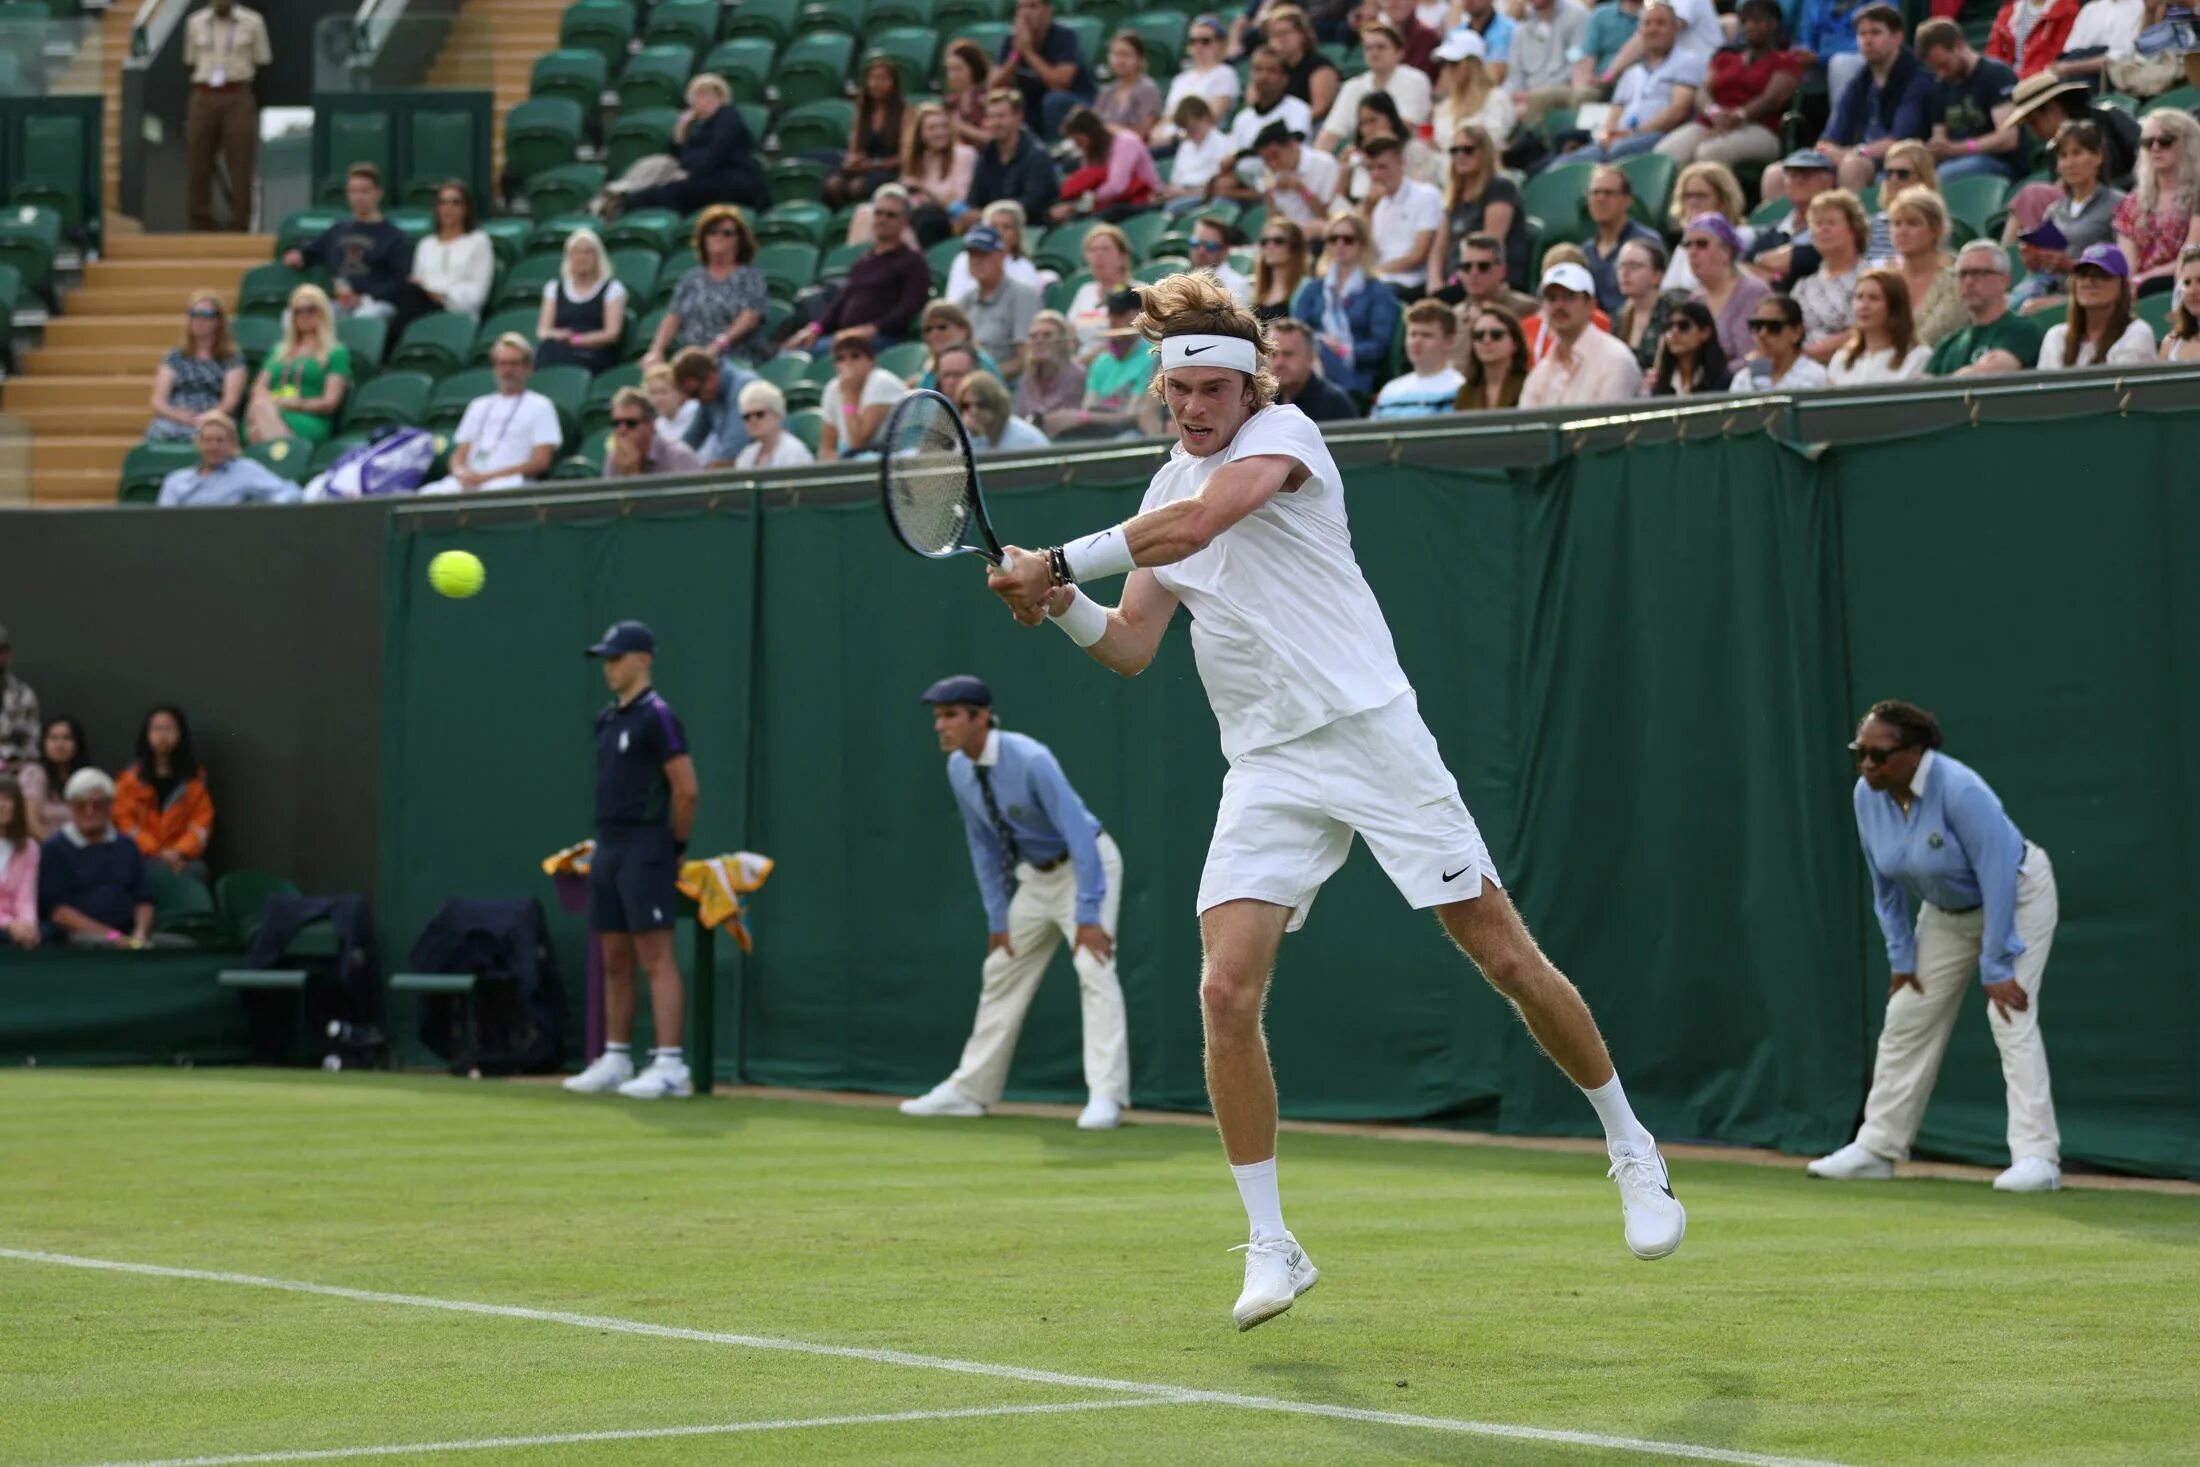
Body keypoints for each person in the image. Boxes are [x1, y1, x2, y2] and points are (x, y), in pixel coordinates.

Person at [983, 272, 1687, 1330]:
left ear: (1247, 381)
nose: (1196, 408)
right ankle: (1273, 1242)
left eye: (1214, 388)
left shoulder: (1288, 437)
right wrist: (1065, 601)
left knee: (1502, 955)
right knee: (1225, 995)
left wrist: (1055, 559)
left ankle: (1631, 1150)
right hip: (1267, 764)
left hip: (1370, 734)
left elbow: (1209, 519)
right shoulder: (1164, 488)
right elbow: (1129, 649)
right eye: (1181, 394)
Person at [1809, 700, 2064, 1193]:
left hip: (2017, 894)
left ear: (1915, 754)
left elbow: (1996, 872)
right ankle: (1877, 1147)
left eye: (1878, 755)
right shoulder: (1867, 794)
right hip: (1945, 914)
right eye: (1859, 752)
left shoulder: (1961, 789)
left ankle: (2038, 1159)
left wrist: (1996, 962)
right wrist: (1901, 956)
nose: (1866, 765)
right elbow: (1882, 883)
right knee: (1907, 1013)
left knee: (2009, 1013)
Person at [901, 675, 1129, 1128]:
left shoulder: (1030, 759)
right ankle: (970, 1091)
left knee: (1093, 968)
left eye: (949, 716)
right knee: (1001, 969)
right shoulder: (959, 770)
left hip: (1089, 866)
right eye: (937, 717)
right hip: (1037, 879)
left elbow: (1079, 833)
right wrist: (998, 916)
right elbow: (983, 845)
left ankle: (1106, 1097)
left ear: (980, 717)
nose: (939, 726)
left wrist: (1087, 913)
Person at [563, 621, 702, 1101]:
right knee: (614, 957)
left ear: (643, 659)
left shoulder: (658, 717)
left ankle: (670, 1066)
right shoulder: (606, 720)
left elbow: (686, 790)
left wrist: (675, 848)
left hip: (648, 848)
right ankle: (616, 1057)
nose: (609, 667)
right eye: (606, 658)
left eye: (617, 658)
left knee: (656, 957)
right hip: (608, 845)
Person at [1553, 1, 1703, 164]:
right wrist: (1608, 135)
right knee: (1561, 165)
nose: (1653, 29)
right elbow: (1615, 112)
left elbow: (1679, 111)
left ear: (1675, 28)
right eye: (1647, 24)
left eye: (1661, 23)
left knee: (1620, 151)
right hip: (1620, 139)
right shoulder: (1631, 73)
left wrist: (1634, 133)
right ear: (1640, 31)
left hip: (1658, 136)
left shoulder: (1687, 61)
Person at [790, 186, 935, 352]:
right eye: (878, 213)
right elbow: (840, 304)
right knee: (791, 351)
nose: (882, 219)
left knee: (811, 352)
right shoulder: (863, 261)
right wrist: (814, 329)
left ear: (905, 221)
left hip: (881, 339)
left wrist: (873, 328)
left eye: (891, 215)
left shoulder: (913, 262)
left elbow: (910, 306)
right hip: (845, 335)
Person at [1657, 0, 1799, 168]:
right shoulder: (1725, 58)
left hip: (1759, 127)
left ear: (1773, 24)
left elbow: (1771, 99)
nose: (1749, 26)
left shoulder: (1786, 61)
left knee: (1709, 152)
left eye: (1756, 20)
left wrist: (1738, 116)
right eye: (1744, 21)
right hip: (1712, 122)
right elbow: (1703, 92)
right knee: (1666, 153)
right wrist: (1714, 113)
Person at [419, 335, 564, 494]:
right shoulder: (478, 405)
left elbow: (541, 461)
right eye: (501, 364)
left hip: (510, 482)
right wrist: (461, 473)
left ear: (528, 367)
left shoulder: (541, 405)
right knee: (426, 494)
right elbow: (459, 453)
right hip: (470, 481)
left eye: (513, 364)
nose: (507, 371)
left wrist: (488, 477)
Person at [2006, 118, 2124, 312]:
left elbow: (2122, 263)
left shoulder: (2118, 204)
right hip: (2053, 289)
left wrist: (2070, 265)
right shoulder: (2054, 210)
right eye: (2063, 156)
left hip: (2095, 296)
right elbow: (2046, 268)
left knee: (2030, 309)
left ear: (2098, 156)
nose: (2070, 163)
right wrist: (2034, 261)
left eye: (2077, 153)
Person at [1815, 5, 1934, 194]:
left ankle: (1853, 222)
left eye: (1876, 33)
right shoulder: (1860, 80)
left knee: (1852, 165)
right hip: (1862, 158)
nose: (1868, 40)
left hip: (1903, 166)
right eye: (1862, 34)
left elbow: (1899, 141)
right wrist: (1831, 151)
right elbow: (1829, 139)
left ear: (1897, 37)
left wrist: (1855, 153)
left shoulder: (1916, 78)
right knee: (1786, 172)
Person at [621, 74, 770, 216]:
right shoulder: (700, 127)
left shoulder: (728, 117)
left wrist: (691, 173)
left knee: (670, 193)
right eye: (696, 96)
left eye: (705, 95)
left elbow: (716, 154)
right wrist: (680, 133)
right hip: (707, 179)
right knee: (644, 197)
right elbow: (680, 159)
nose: (699, 101)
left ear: (720, 97)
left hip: (733, 181)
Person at [37, 770, 154, 949]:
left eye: (97, 804)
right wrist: (113, 936)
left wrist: (140, 933)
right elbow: (59, 913)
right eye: (81, 804)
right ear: (70, 807)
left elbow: (143, 899)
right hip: (83, 940)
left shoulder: (127, 846)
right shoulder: (54, 849)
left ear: (110, 806)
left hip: (130, 935)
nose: (89, 811)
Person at [183, 0, 270, 232]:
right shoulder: (195, 22)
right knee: (197, 160)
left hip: (237, 93)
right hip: (203, 94)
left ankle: (239, 223)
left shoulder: (253, 21)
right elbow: (191, 59)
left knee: (241, 160)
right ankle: (200, 222)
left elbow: (261, 58)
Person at [644, 207, 769, 368]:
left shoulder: (749, 276)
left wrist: (718, 345)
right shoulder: (691, 278)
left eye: (727, 233)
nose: (718, 237)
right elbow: (673, 316)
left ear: (739, 240)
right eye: (712, 232)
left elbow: (750, 317)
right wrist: (656, 350)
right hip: (691, 359)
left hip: (733, 358)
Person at [1291, 211, 1400, 397]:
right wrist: (1320, 341)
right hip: (1312, 365)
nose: (1340, 245)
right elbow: (1295, 332)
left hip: (1356, 373)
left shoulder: (1378, 291)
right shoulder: (1312, 289)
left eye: (1348, 239)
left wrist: (1343, 350)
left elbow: (1379, 345)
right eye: (1333, 239)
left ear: (1362, 245)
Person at [281, 164, 410, 321]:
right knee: (292, 316)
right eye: (353, 191)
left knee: (364, 317)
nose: (358, 197)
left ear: (378, 193)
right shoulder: (337, 230)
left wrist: (363, 298)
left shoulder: (394, 236)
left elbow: (399, 282)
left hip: (375, 304)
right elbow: (312, 250)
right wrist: (298, 253)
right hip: (340, 303)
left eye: (364, 191)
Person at [112, 706, 214, 883]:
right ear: (147, 734)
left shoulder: (195, 779)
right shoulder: (129, 779)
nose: (163, 734)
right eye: (157, 728)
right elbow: (124, 823)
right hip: (143, 855)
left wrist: (179, 852)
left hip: (182, 858)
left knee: (198, 871)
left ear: (181, 734)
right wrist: (157, 852)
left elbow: (201, 823)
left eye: (169, 728)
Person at [1521, 261, 1647, 403]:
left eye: (1569, 297)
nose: (1558, 305)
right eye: (1551, 298)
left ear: (1591, 305)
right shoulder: (1542, 371)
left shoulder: (1615, 360)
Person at [1916, 20, 2022, 184]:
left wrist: (1957, 149)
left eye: (1944, 65)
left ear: (1958, 45)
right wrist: (1935, 148)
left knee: (1943, 176)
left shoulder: (1995, 74)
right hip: (1956, 161)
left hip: (1999, 163)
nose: (1941, 73)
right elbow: (1940, 135)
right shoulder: (1941, 86)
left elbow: (2008, 138)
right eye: (1935, 69)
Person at [1050, 288, 1165, 438]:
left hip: (1132, 433)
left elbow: (1133, 415)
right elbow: (1090, 407)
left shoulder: (1154, 356)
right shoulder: (1101, 362)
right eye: (1111, 313)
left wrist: (1080, 417)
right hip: (1100, 431)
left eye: (1119, 314)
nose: (1112, 320)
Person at [246, 285, 349, 446]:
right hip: (270, 410)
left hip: (308, 418)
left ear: (323, 312)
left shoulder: (336, 352)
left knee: (257, 420)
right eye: (298, 311)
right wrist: (275, 403)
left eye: (311, 309)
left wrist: (299, 403)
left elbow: (330, 402)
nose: (304, 315)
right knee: (258, 408)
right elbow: (258, 388)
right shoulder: (278, 350)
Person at [2113, 109, 2200, 297]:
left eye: (2165, 141)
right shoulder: (2131, 203)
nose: (2155, 148)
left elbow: (2194, 254)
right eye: (2147, 142)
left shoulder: (2198, 195)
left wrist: (2147, 277)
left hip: (2187, 281)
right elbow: (2127, 266)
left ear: (2188, 144)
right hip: (2141, 289)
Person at [2004, 71, 2138, 190]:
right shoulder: (2054, 149)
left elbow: (2149, 155)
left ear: (2053, 108)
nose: (2033, 132)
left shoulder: (2110, 118)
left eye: (2034, 122)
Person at [1924, 240, 2042, 374]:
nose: (1968, 281)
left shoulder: (2021, 330)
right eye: (1962, 274)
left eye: (1978, 273)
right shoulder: (1948, 344)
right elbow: (1923, 388)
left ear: (2004, 280)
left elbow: (1987, 375)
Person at [1320, 23, 1436, 155]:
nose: (1374, 53)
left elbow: (1404, 128)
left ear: (1399, 52)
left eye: (1381, 47)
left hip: (1407, 154)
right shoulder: (1352, 87)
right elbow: (1330, 134)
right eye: (1368, 48)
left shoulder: (1415, 80)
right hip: (1365, 156)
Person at [147, 293, 247, 443]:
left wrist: (208, 418)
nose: (198, 320)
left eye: (205, 315)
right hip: (176, 418)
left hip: (214, 419)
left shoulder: (232, 358)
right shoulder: (175, 356)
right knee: (158, 430)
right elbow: (158, 400)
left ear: (218, 321)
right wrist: (177, 415)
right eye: (193, 314)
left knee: (212, 435)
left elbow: (230, 401)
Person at [2038, 243, 2158, 365]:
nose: (2089, 281)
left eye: (2102, 275)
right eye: (2083, 274)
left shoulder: (2136, 332)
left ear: (2122, 286)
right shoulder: (2056, 337)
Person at [989, 0, 1096, 137]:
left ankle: (1057, 150)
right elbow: (995, 86)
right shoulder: (1012, 41)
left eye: (1033, 6)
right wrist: (1015, 54)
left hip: (1073, 102)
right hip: (1035, 106)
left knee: (1054, 100)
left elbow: (1059, 83)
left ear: (1048, 11)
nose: (1025, 13)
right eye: (1021, 7)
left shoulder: (1064, 36)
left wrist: (1028, 52)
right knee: (1010, 104)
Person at [393, 180, 494, 325]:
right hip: (422, 305)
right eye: (443, 203)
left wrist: (442, 296)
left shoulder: (478, 241)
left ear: (466, 208)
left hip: (455, 310)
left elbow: (479, 293)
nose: (448, 208)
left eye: (455, 203)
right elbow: (419, 280)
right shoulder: (426, 244)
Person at [955, 225, 1044, 381]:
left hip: (1007, 388)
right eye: (972, 255)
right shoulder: (965, 301)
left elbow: (1027, 358)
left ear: (1001, 255)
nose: (976, 261)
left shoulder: (1023, 296)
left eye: (983, 255)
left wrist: (981, 377)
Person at [156, 412, 299, 508]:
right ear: (198, 445)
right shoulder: (176, 481)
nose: (214, 446)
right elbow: (163, 523)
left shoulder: (246, 471)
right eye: (207, 440)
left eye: (220, 440)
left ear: (232, 444)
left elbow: (290, 492)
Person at [534, 228, 626, 374]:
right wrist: (559, 336)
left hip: (593, 351)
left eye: (588, 252)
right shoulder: (554, 288)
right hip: (560, 346)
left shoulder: (612, 288)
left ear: (598, 256)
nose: (582, 257)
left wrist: (577, 340)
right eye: (577, 252)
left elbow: (612, 333)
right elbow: (543, 331)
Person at [965, 90, 1062, 230]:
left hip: (1030, 230)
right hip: (991, 227)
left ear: (1018, 116)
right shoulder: (987, 155)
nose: (995, 123)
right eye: (990, 117)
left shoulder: (1037, 156)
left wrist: (989, 215)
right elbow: (974, 199)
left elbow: (1031, 205)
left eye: (1001, 116)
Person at [1794, 188, 1871, 361]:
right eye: (1818, 224)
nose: (1823, 230)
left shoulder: (1870, 277)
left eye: (1831, 223)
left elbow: (1871, 329)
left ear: (1854, 229)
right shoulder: (1803, 286)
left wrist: (1816, 352)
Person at [1363, 137, 1445, 296]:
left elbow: (1418, 256)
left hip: (1411, 282)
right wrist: (1367, 213)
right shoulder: (1376, 205)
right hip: (1380, 279)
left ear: (1401, 163)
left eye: (1382, 167)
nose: (1376, 175)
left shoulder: (1426, 195)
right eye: (1371, 168)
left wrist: (1375, 271)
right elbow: (1369, 252)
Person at [1883, 188, 1964, 346]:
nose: (1902, 231)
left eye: (1913, 223)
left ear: (1935, 230)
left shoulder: (1957, 278)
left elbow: (1938, 334)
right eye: (1896, 224)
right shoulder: (1885, 279)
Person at [892, 104, 980, 247]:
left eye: (944, 126)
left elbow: (959, 203)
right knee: (868, 213)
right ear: (920, 134)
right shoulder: (919, 160)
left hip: (947, 223)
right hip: (915, 219)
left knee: (924, 218)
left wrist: (925, 191)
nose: (940, 132)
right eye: (932, 128)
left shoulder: (964, 155)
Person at [1053, 107, 1161, 222]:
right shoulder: (1090, 152)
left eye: (1079, 140)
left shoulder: (1126, 142)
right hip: (1112, 203)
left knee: (1100, 219)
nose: (1078, 145)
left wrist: (1081, 204)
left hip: (1144, 199)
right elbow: (1089, 184)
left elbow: (1117, 186)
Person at [1825, 266, 1930, 384]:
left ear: (1894, 307)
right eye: (1859, 297)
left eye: (1873, 298)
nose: (1863, 306)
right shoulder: (1841, 360)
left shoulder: (1917, 358)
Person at [828, 56, 908, 210]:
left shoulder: (905, 113)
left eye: (882, 79)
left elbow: (906, 156)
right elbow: (855, 148)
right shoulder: (863, 111)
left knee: (857, 187)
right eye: (872, 79)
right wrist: (853, 160)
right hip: (864, 167)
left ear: (894, 83)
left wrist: (873, 165)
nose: (875, 84)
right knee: (833, 184)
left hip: (889, 169)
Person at [819, 330, 909, 460]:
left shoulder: (881, 381)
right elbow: (827, 448)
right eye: (840, 358)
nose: (847, 362)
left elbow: (858, 442)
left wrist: (849, 395)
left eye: (855, 356)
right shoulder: (832, 388)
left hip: (894, 459)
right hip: (854, 461)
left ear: (871, 360)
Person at [1581, 166, 1662, 311]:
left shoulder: (1647, 243)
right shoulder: (1584, 252)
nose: (1600, 199)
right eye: (1595, 193)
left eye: (1608, 193)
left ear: (1627, 200)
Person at [1505, 0, 1592, 129]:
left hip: (1561, 88)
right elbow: (1516, 72)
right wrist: (1516, 93)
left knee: (1537, 99)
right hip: (1527, 94)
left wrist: (1531, 95)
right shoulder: (1521, 29)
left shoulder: (1577, 17)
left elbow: (1577, 63)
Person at [1158, 17, 1245, 145]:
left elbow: (1211, 118)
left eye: (1205, 41)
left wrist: (1176, 136)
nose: (1198, 46)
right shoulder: (1180, 80)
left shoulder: (1225, 74)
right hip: (1171, 142)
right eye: (1193, 41)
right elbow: (1165, 121)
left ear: (1220, 44)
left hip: (1203, 143)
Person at [1372, 298, 1465, 415]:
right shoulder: (1389, 391)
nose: (1416, 342)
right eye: (1413, 334)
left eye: (1426, 335)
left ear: (1450, 341)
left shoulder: (1460, 390)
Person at [1427, 29, 1515, 150]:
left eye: (1453, 63)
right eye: (1443, 64)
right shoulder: (1444, 106)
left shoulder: (1497, 99)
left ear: (1472, 64)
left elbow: (1490, 143)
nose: (1446, 70)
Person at [671, 346, 760, 465]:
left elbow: (733, 449)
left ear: (711, 377)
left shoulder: (745, 387)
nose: (696, 400)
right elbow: (690, 440)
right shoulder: (708, 397)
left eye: (695, 393)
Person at [945, 202, 1050, 301]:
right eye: (994, 226)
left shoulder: (1025, 268)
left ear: (1017, 236)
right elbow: (953, 301)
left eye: (1006, 227)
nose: (999, 232)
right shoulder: (964, 260)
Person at [1249, 120, 1342, 229]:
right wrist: (1270, 194)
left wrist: (1301, 189)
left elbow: (1330, 217)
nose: (1273, 164)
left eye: (1275, 156)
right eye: (1267, 160)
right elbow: (1273, 219)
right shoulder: (1268, 173)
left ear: (1293, 144)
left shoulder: (1325, 164)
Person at [1225, 46, 1316, 155]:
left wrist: (1238, 157)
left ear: (1284, 78)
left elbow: (1287, 149)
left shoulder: (1299, 110)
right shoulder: (1242, 119)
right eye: (1258, 69)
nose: (1263, 76)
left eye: (1271, 70)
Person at [1729, 292, 1830, 389]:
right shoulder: (1743, 380)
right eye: (1757, 326)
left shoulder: (1817, 379)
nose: (1763, 334)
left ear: (1796, 332)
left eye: (1774, 326)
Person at [1614, 236, 1688, 365]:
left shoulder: (1673, 312)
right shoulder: (1619, 317)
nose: (1625, 272)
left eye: (1634, 265)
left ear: (1657, 276)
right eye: (1621, 265)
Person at [1267, 316, 1358, 418]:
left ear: (1310, 357)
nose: (1279, 363)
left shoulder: (1335, 404)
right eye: (1273, 354)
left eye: (1288, 354)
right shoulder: (1262, 403)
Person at [1067, 223, 1138, 351]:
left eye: (1106, 249)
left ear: (1123, 257)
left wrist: (1083, 362)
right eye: (1093, 250)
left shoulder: (1137, 292)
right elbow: (1070, 336)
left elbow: (1129, 339)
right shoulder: (1085, 291)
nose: (1098, 255)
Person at [605, 387, 704, 478]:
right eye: (616, 423)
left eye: (631, 423)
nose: (622, 430)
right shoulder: (615, 458)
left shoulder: (678, 456)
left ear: (650, 425)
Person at [1264, 5, 1341, 120]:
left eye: (1285, 33)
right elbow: (1255, 100)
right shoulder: (1269, 68)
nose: (1281, 39)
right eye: (1275, 34)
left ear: (1302, 34)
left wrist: (1293, 125)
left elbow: (1320, 108)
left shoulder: (1320, 66)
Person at [20, 714, 89, 840]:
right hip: (44, 849)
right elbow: (31, 824)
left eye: (67, 738)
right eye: (53, 738)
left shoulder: (86, 777)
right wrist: (57, 852)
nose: (59, 744)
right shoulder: (34, 774)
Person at [1643, 296, 1731, 393]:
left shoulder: (1723, 382)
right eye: (1669, 326)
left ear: (1705, 332)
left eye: (1683, 326)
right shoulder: (1658, 383)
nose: (1674, 332)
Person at [1162, 96, 1235, 209]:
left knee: (1173, 208)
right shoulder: (1185, 147)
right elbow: (1175, 180)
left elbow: (1216, 186)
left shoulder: (1223, 143)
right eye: (1186, 129)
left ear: (1206, 118)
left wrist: (1187, 193)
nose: (1190, 133)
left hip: (1205, 197)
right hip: (1183, 194)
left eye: (1193, 127)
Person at [1014, 309, 1088, 420]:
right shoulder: (1026, 381)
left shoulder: (1078, 377)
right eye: (1033, 336)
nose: (1038, 341)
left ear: (1063, 341)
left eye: (1047, 335)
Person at [1454, 302, 1529, 408]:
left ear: (1515, 343)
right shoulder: (1465, 392)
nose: (1486, 340)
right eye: (1478, 335)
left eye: (1496, 334)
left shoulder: (1530, 385)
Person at [958, 371, 1052, 452]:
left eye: (981, 404)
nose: (973, 411)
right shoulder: (968, 436)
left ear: (996, 404)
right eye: (966, 405)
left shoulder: (1026, 439)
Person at [731, 381, 817, 470]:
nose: (753, 421)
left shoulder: (795, 453)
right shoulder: (746, 457)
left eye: (760, 414)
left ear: (777, 415)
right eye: (747, 417)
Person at [1985, 0, 2080, 79]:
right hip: (2009, 83)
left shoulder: (2067, 10)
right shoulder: (2008, 12)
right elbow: (1993, 55)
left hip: (2043, 82)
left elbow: (2056, 58)